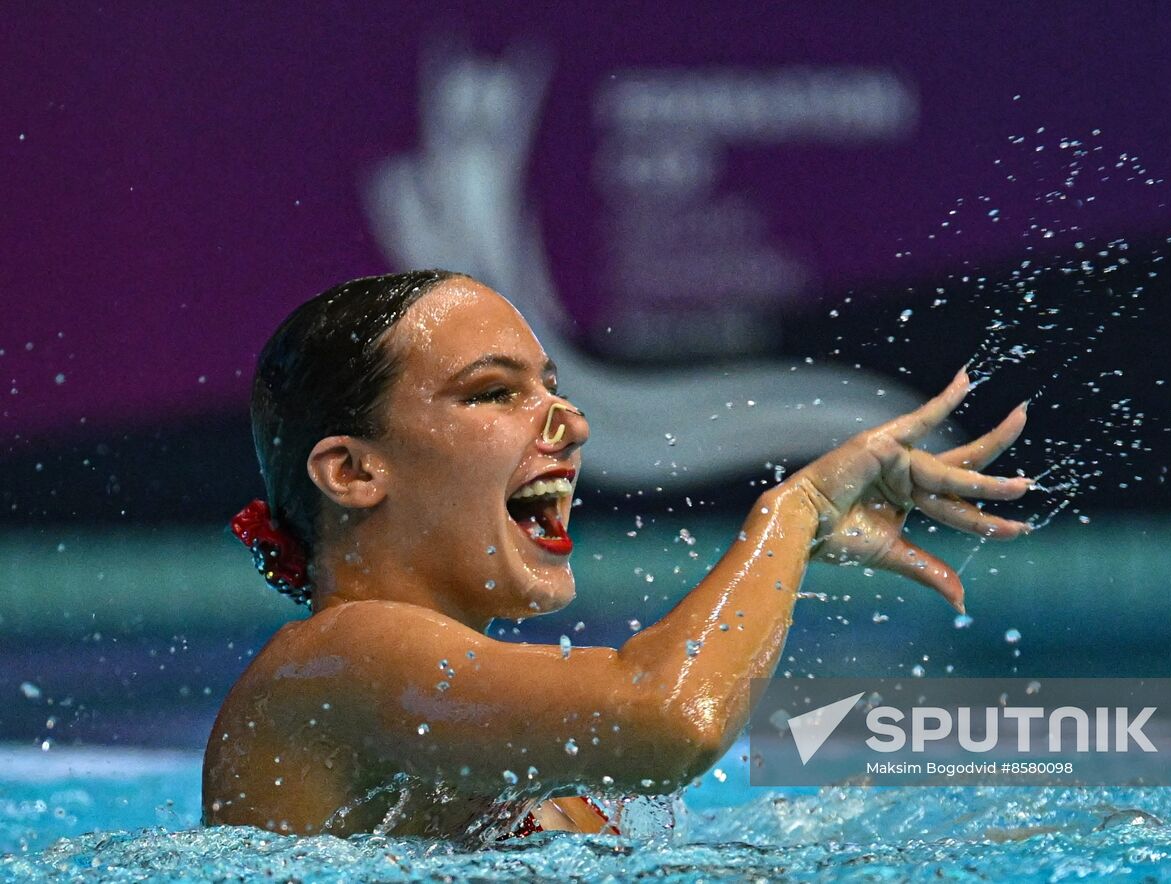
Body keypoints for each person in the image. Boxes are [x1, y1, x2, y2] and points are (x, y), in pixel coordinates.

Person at [203, 269, 1033, 842]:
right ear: (352, 471)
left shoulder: (510, 765)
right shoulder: (332, 662)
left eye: (552, 385)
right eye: (493, 392)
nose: (571, 421)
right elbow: (670, 723)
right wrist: (795, 513)